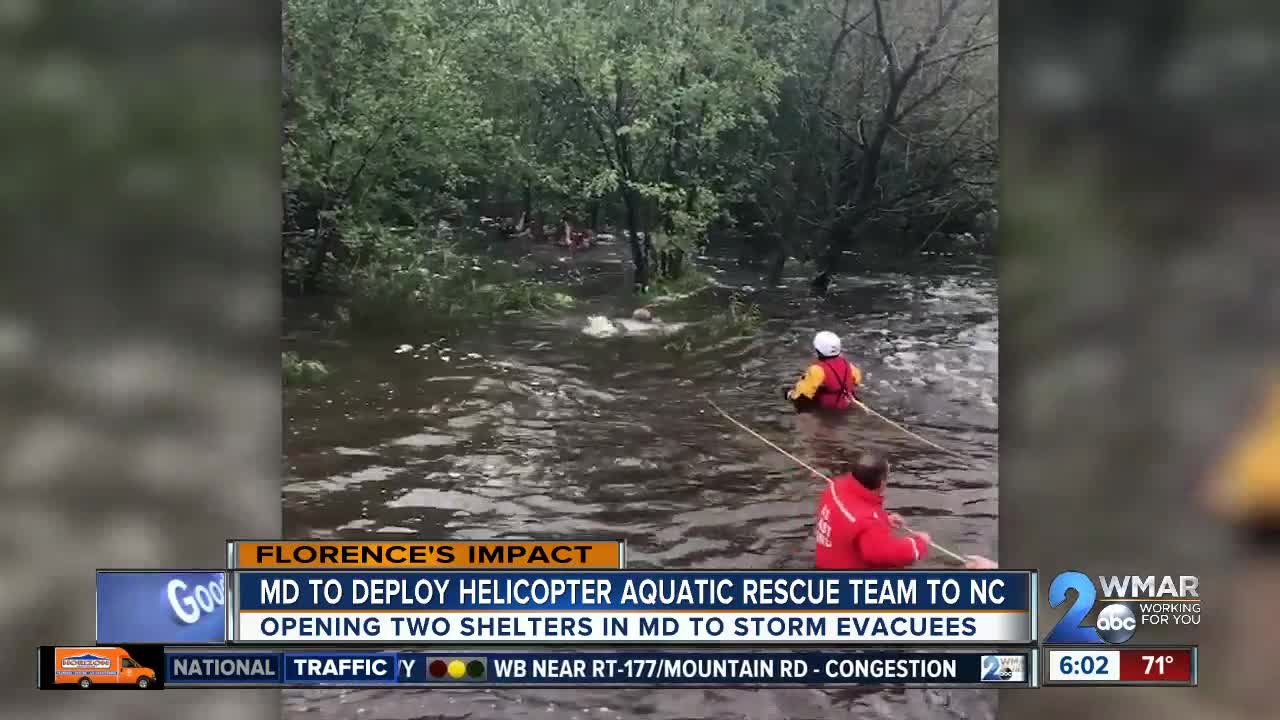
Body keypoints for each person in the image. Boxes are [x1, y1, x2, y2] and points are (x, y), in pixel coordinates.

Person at [814, 451, 931, 569]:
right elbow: (886, 553)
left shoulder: (835, 486)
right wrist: (919, 544)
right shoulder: (866, 522)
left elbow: (849, 515)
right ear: (881, 484)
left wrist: (884, 519)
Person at [786, 331, 862, 412]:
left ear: (818, 350)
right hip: (845, 402)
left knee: (787, 392)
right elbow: (857, 381)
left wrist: (790, 394)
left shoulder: (817, 369)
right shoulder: (849, 366)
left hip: (826, 407)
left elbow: (803, 393)